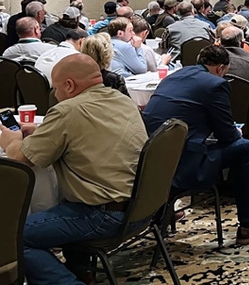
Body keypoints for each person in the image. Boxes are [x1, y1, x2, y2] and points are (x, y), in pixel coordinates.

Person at [0, 54, 147, 284]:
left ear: (69, 85)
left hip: (102, 216)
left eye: (56, 89)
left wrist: (10, 140)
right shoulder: (122, 100)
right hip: (141, 207)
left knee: (12, 236)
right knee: (66, 203)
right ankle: (82, 271)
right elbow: (85, 134)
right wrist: (44, 131)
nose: (56, 95)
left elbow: (20, 158)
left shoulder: (67, 111)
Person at [142, 45, 249, 244]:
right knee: (246, 148)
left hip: (150, 157)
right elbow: (227, 135)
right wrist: (235, 131)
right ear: (220, 69)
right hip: (183, 162)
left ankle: (163, 211)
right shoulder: (215, 84)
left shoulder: (174, 76)